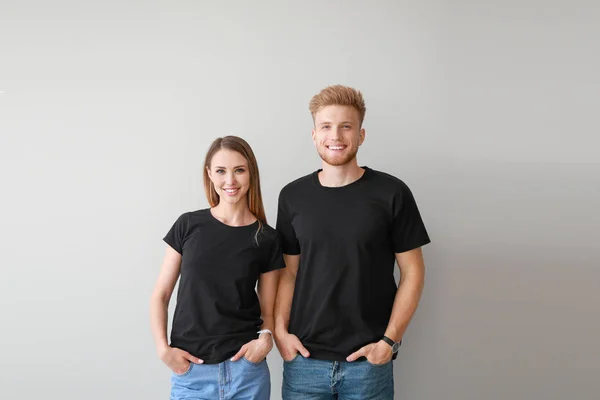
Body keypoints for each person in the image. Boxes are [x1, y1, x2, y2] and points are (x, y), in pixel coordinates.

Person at [274, 85, 431, 399]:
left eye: (346, 126)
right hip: (304, 361)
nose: (336, 135)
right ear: (315, 135)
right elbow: (289, 273)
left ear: (361, 135)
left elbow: (413, 273)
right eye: (326, 126)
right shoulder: (292, 196)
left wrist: (389, 341)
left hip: (368, 364)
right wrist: (280, 332)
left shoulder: (392, 193)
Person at [150, 135, 284, 400]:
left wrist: (265, 340)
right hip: (192, 374)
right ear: (209, 174)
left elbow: (268, 310)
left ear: (251, 174)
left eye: (239, 170)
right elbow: (161, 295)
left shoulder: (267, 237)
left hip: (247, 373)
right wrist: (163, 349)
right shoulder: (188, 225)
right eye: (221, 171)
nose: (230, 181)